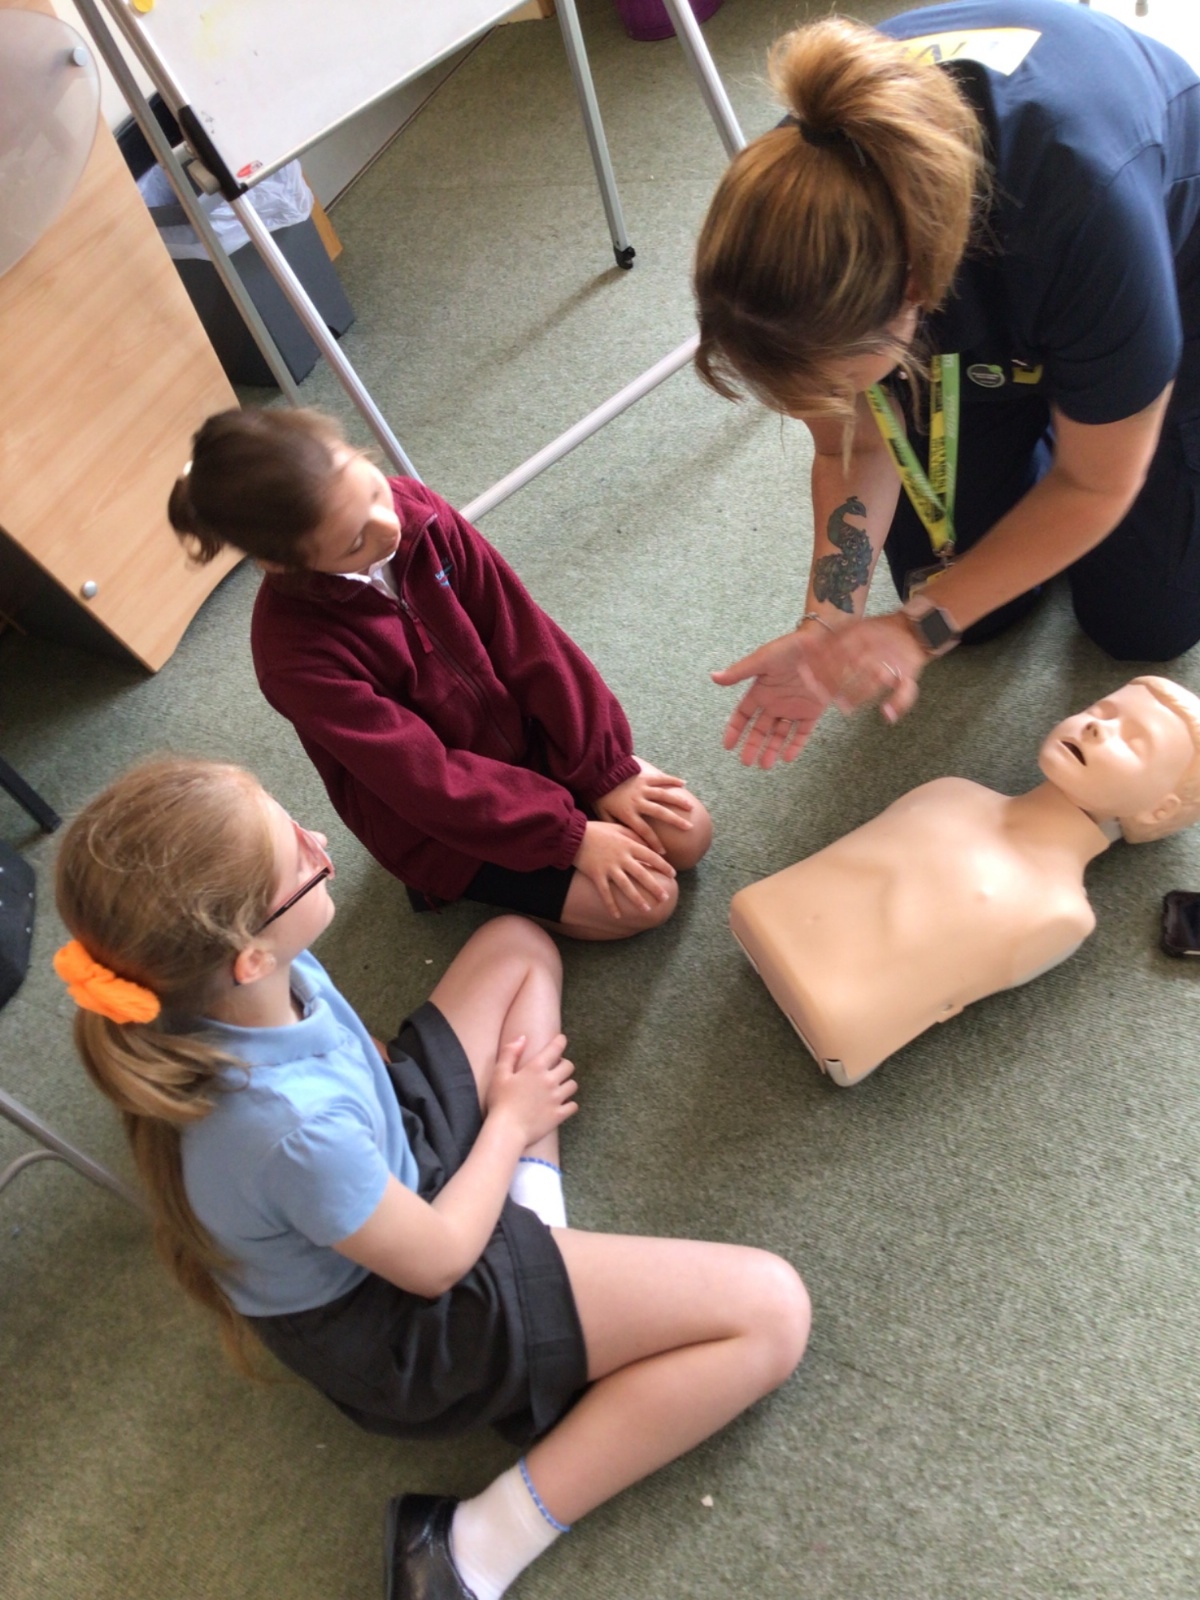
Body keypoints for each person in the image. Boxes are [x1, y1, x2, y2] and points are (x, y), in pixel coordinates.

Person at [54, 758, 808, 1600]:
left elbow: (352, 1074)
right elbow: (440, 1261)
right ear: (248, 956)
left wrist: (462, 1112)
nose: (318, 841)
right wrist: (511, 1123)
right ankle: (466, 1549)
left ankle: (539, 1249)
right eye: (297, 857)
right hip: (405, 1315)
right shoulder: (288, 1128)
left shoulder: (250, 986)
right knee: (772, 1313)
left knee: (517, 947)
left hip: (394, 1166)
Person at [693, 0, 1200, 768]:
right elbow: (852, 447)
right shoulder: (794, 222)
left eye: (843, 381)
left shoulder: (1087, 210)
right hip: (979, 281)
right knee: (972, 604)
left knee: (1143, 626)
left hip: (1161, 250)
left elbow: (1096, 486)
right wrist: (829, 622)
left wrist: (917, 629)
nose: (830, 403)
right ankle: (1052, 407)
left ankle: (1081, 402)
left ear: (913, 295)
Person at [168, 407, 712, 939]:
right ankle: (486, 887)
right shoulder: (292, 656)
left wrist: (603, 769)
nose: (390, 527)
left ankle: (557, 830)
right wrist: (568, 837)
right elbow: (423, 777)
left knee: (691, 836)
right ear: (282, 563)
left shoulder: (417, 511)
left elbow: (527, 638)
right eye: (354, 542)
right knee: (650, 902)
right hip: (441, 820)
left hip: (527, 742)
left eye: (374, 488)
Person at [730, 677, 1200, 1084]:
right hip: (768, 915)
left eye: (1134, 741)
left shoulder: (1060, 913)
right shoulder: (951, 791)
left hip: (834, 1018)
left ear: (1158, 811)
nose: (1096, 726)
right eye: (1100, 711)